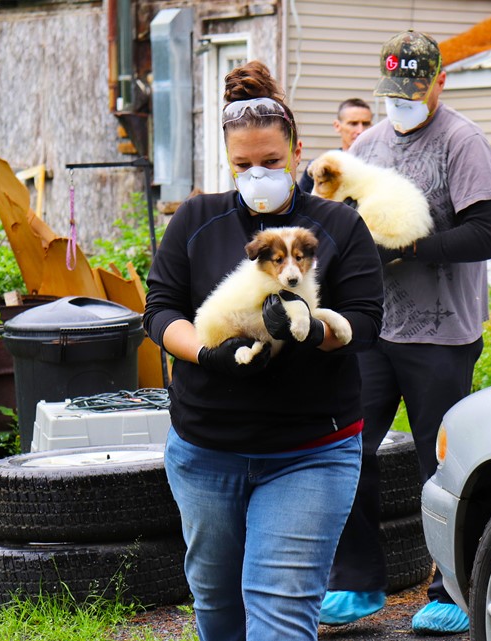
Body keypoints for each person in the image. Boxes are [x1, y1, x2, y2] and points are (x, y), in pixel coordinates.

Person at [143, 60, 384, 641]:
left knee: (280, 612)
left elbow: (366, 323)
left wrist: (308, 327)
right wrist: (205, 354)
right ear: (227, 163)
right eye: (243, 165)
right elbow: (160, 312)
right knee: (218, 605)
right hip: (206, 449)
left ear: (297, 152)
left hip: (311, 450)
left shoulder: (338, 228)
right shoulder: (197, 220)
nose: (259, 175)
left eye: (272, 162)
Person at [317, 29, 491, 635]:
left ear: (440, 82)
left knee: (440, 463)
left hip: (442, 332)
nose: (403, 103)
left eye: (415, 91)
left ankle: (450, 586)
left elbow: (487, 237)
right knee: (346, 449)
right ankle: (358, 581)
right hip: (371, 328)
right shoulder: (367, 144)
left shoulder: (462, 142)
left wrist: (408, 248)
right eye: (393, 92)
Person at [298, 97, 374, 193]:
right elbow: (301, 203)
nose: (360, 130)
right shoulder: (321, 167)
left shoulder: (378, 164)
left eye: (366, 124)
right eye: (353, 123)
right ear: (337, 126)